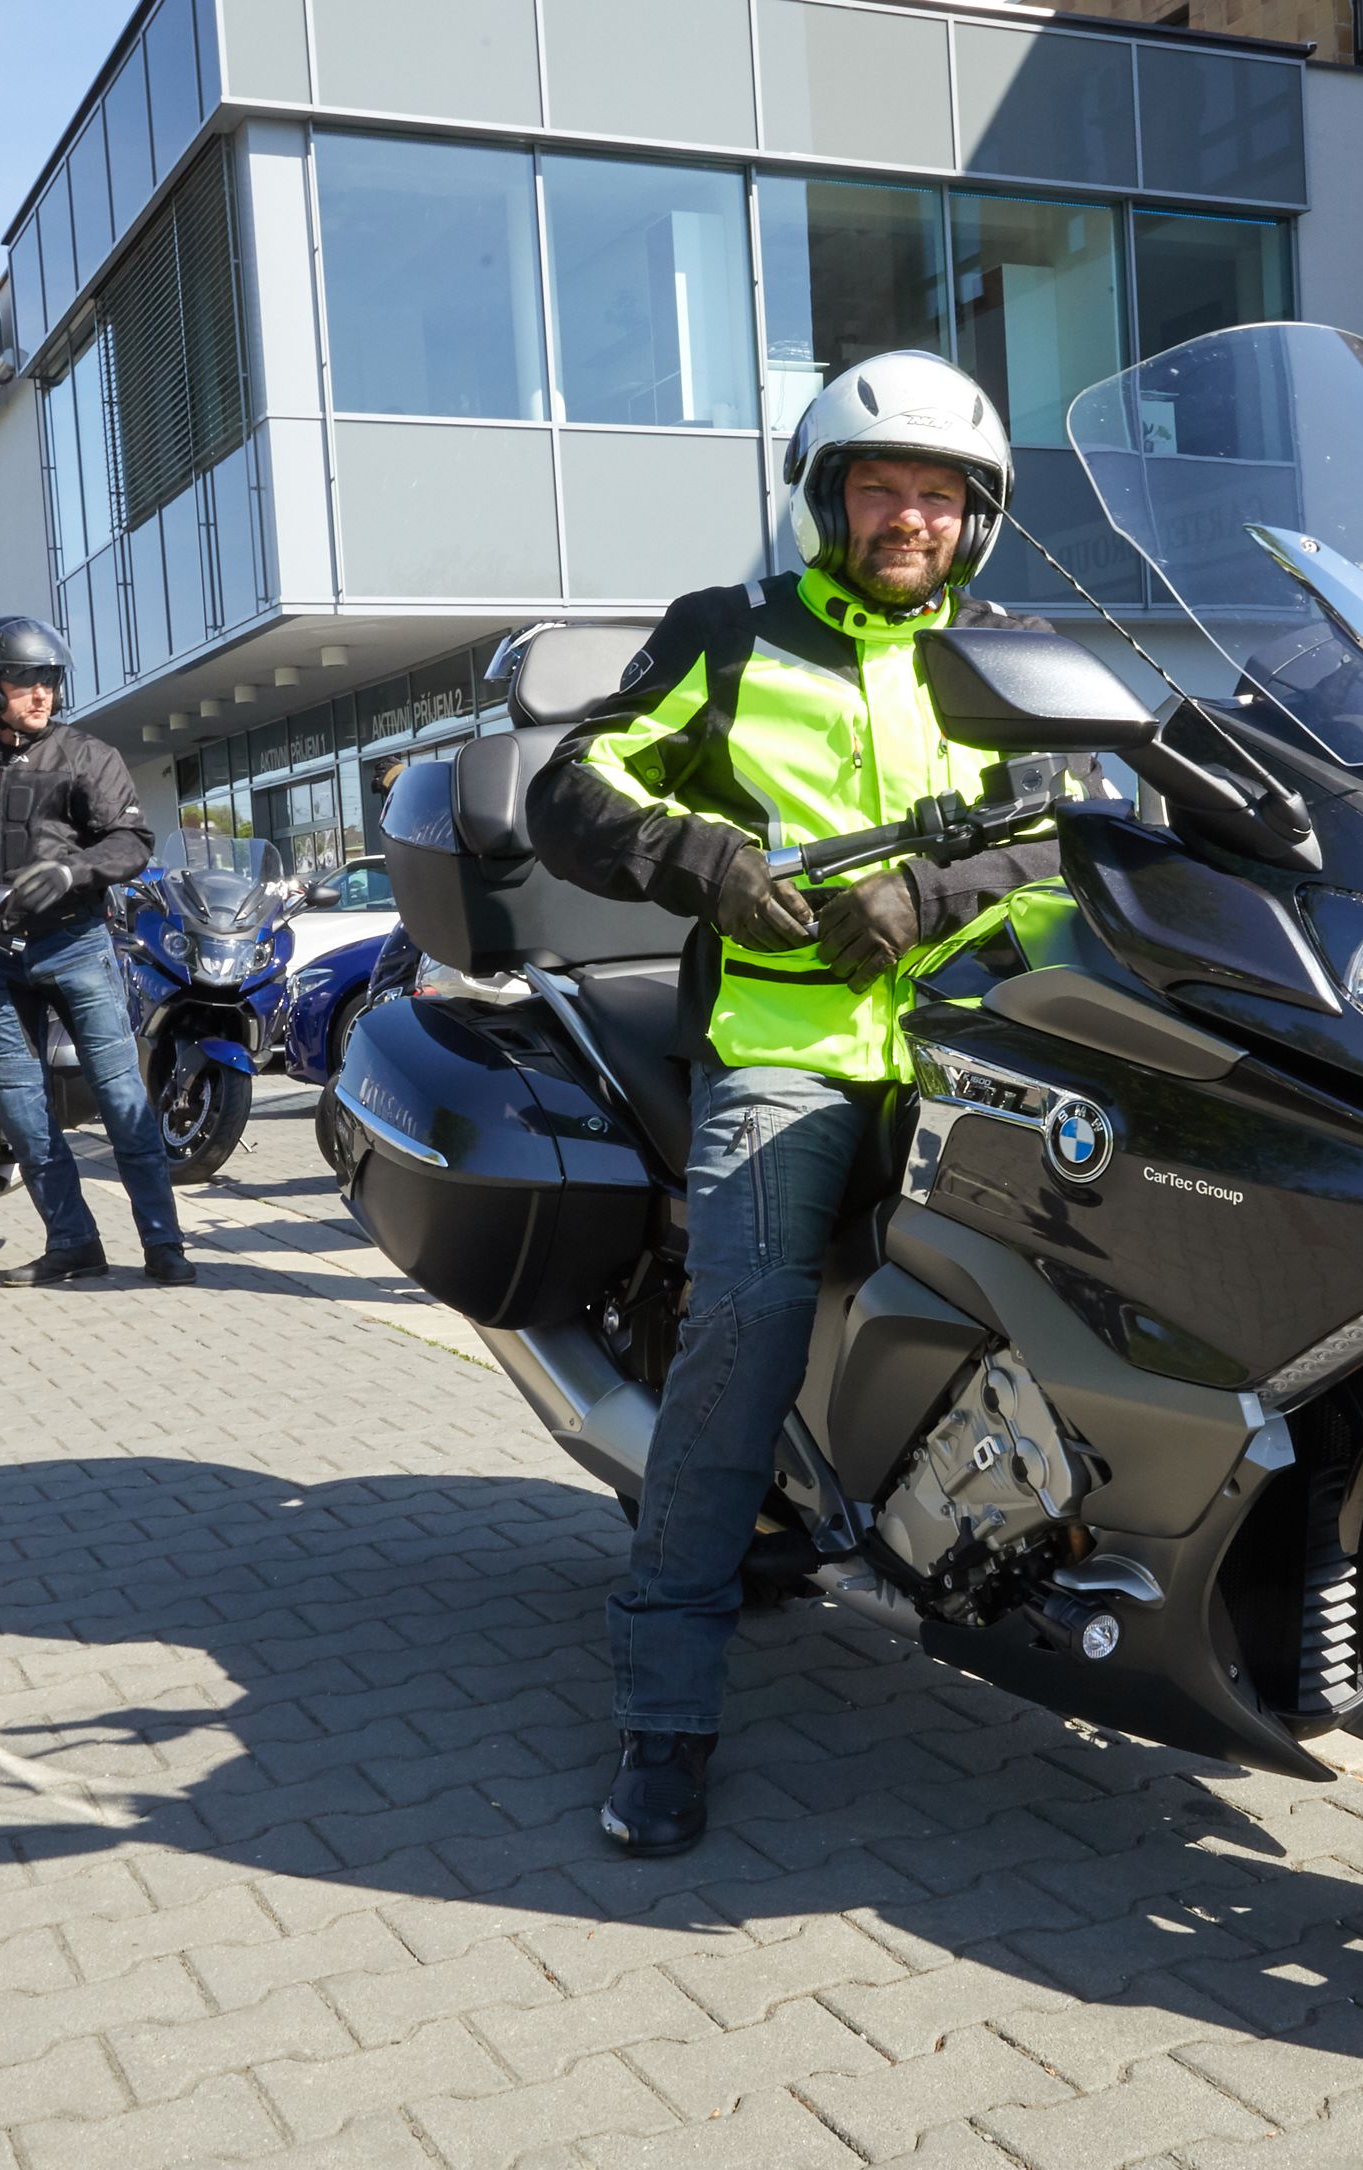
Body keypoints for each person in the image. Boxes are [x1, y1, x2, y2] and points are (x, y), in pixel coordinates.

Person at [528, 351, 1061, 1856]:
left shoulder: (1018, 656)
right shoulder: (731, 633)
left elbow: (1090, 820)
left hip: (994, 1036)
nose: (909, 517)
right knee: (744, 1328)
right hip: (792, 1045)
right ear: (827, 500)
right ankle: (664, 1709)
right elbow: (575, 786)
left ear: (976, 519)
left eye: (938, 496)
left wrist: (935, 893)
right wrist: (704, 863)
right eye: (879, 488)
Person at [0, 617, 191, 1287]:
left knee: (121, 1098)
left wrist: (71, 870)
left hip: (75, 944)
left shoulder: (86, 755)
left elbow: (131, 841)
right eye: (25, 680)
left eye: (49, 679)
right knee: (22, 1108)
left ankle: (164, 1244)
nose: (42, 693)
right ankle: (73, 1243)